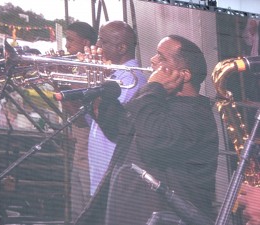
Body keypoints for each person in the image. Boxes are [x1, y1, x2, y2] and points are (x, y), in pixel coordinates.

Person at [75, 35, 218, 225]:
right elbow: (119, 129)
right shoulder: (158, 102)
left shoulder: (197, 114)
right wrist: (100, 83)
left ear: (184, 74)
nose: (152, 60)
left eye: (161, 58)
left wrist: (153, 87)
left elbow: (154, 141)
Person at [87, 20, 147, 196]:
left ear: (121, 48)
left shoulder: (131, 78)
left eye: (103, 41)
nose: (97, 45)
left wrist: (97, 81)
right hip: (100, 173)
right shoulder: (113, 74)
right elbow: (87, 118)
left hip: (114, 175)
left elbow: (112, 123)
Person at [62, 21, 98, 220]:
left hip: (89, 152)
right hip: (79, 149)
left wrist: (61, 86)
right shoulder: (78, 70)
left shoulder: (91, 72)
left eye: (70, 40)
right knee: (77, 211)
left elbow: (84, 119)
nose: (66, 45)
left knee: (86, 211)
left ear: (85, 43)